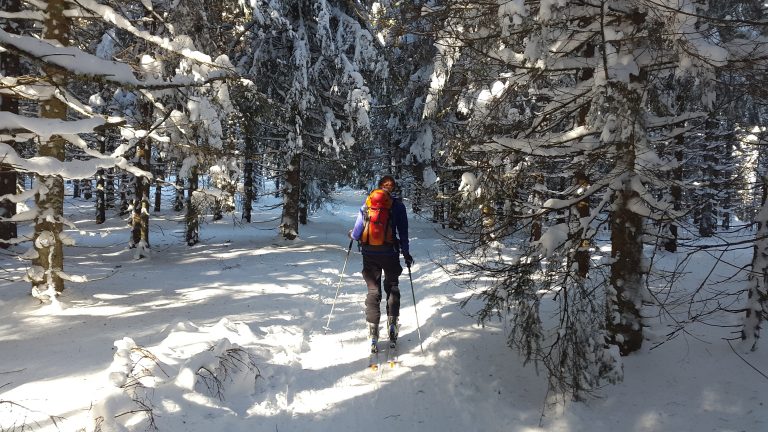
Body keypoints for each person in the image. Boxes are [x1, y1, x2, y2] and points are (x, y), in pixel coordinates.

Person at [349, 175, 414, 352]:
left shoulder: (368, 203)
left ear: (379, 187)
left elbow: (357, 231)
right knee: (392, 286)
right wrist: (406, 252)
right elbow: (404, 232)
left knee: (373, 291)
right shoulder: (398, 206)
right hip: (390, 252)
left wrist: (352, 236)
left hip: (370, 253)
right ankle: (392, 325)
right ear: (392, 188)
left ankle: (373, 331)